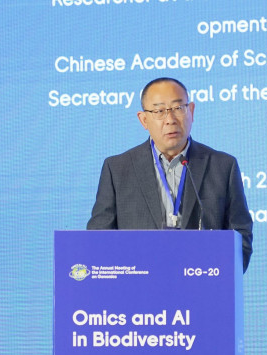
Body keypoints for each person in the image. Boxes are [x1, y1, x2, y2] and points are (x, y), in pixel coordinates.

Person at [87, 77, 253, 271]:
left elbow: (240, 236)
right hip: (139, 285)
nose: (170, 120)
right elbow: (99, 238)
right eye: (159, 111)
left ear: (191, 111)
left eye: (178, 108)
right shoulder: (117, 169)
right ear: (143, 119)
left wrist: (220, 276)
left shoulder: (223, 166)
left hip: (200, 282)